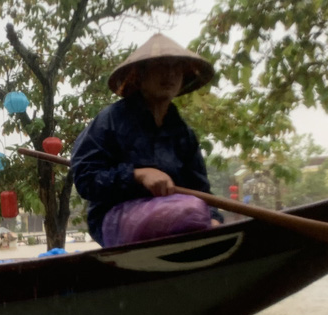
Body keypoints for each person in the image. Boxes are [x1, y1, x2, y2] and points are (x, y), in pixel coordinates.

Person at [70, 33, 224, 247]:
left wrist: (214, 219)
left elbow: (201, 190)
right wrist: (137, 175)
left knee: (200, 214)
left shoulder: (183, 133)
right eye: (161, 66)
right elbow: (86, 180)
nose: (169, 74)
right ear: (140, 77)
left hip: (181, 216)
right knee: (190, 212)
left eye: (176, 68)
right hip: (115, 219)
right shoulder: (111, 120)